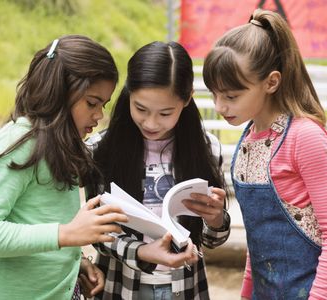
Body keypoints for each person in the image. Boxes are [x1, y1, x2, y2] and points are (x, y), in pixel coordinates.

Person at [202, 8, 327, 300]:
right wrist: (247, 293)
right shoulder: (248, 138)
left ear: (271, 82)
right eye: (214, 94)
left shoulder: (305, 137)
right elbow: (259, 236)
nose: (220, 106)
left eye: (231, 96)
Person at [0, 35, 128, 300]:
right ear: (60, 91)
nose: (98, 116)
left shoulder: (62, 143)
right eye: (92, 103)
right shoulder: (18, 142)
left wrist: (76, 262)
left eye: (103, 105)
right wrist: (67, 234)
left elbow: (40, 222)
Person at [86, 41, 231, 299]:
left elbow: (211, 240)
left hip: (185, 288)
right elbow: (98, 233)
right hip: (121, 287)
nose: (151, 123)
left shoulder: (208, 149)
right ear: (128, 93)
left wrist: (216, 219)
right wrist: (142, 252)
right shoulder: (101, 149)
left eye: (165, 113)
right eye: (140, 109)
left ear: (186, 99)